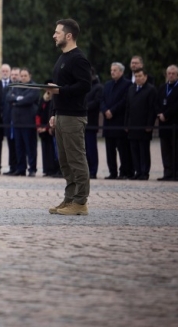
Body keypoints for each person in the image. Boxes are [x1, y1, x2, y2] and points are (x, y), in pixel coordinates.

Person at [47, 19, 92, 216]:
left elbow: (85, 86)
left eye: (57, 32)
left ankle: (80, 202)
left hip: (74, 117)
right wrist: (53, 114)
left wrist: (60, 91)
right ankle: (70, 199)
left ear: (69, 36)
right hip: (62, 116)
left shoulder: (78, 59)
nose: (54, 35)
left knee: (76, 160)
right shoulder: (62, 58)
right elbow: (57, 90)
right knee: (65, 162)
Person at [100, 62, 132, 179]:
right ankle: (112, 172)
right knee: (110, 150)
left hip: (119, 121)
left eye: (115, 70)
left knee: (123, 149)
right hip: (108, 123)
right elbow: (102, 99)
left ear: (121, 72)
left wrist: (112, 111)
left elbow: (124, 101)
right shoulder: (107, 84)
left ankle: (124, 172)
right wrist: (105, 110)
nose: (112, 72)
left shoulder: (127, 84)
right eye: (111, 70)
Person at [156, 65, 178, 181]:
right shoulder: (162, 87)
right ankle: (167, 173)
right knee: (165, 150)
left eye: (173, 73)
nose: (171, 75)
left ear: (177, 75)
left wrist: (166, 114)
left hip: (176, 124)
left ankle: (177, 174)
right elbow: (157, 102)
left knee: (177, 151)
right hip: (163, 124)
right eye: (169, 73)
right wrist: (159, 113)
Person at [126, 69, 157, 180]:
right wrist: (126, 124)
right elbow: (128, 108)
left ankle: (144, 172)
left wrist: (150, 125)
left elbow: (151, 109)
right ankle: (138, 172)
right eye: (136, 76)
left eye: (140, 76)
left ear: (145, 77)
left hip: (144, 126)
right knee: (134, 151)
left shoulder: (151, 90)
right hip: (132, 126)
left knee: (144, 150)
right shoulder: (131, 89)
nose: (138, 78)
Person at [8, 68, 39, 177]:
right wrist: (18, 99)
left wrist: (16, 100)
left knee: (30, 146)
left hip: (28, 122)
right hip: (17, 122)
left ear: (29, 75)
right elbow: (9, 97)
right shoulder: (16, 86)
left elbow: (29, 99)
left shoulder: (34, 87)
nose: (23, 77)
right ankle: (21, 168)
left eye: (25, 75)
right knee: (19, 147)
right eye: (22, 75)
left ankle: (32, 168)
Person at [84, 68, 103, 179]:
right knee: (83, 149)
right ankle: (85, 170)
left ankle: (93, 170)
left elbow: (96, 102)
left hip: (91, 122)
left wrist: (83, 107)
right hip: (81, 122)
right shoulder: (84, 87)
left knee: (91, 148)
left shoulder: (98, 87)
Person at [37, 86, 59, 177]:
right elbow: (39, 112)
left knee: (54, 151)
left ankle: (55, 169)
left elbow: (52, 114)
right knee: (45, 151)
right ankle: (47, 169)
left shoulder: (54, 99)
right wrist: (39, 126)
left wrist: (47, 127)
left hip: (51, 128)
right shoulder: (43, 98)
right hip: (43, 129)